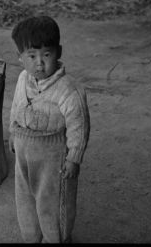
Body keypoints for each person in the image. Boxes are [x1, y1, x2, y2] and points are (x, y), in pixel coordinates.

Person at [9, 15, 90, 243]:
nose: (39, 63)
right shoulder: (23, 79)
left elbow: (79, 125)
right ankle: (32, 237)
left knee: (53, 203)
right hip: (24, 151)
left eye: (47, 55)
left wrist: (74, 158)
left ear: (59, 52)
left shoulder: (68, 90)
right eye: (31, 56)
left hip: (53, 156)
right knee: (25, 198)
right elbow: (16, 107)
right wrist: (12, 133)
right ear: (20, 57)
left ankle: (56, 238)